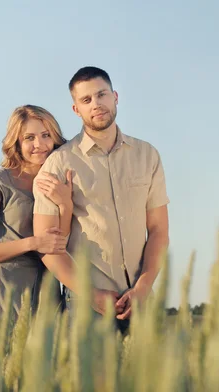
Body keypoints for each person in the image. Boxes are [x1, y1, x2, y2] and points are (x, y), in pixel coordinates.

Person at [32, 66, 170, 334]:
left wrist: (143, 286)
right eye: (86, 100)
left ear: (115, 96)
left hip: (142, 300)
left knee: (148, 378)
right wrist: (91, 294)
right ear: (76, 109)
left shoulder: (147, 155)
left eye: (101, 95)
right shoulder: (58, 164)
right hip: (86, 305)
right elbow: (47, 246)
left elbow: (159, 231)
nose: (96, 104)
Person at [0, 104, 73, 319]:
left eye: (45, 135)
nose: (39, 144)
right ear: (16, 141)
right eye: (29, 138)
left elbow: (61, 242)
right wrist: (32, 243)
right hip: (2, 295)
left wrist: (65, 204)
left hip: (46, 294)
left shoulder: (61, 181)